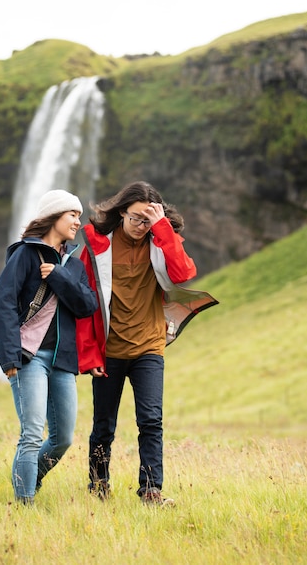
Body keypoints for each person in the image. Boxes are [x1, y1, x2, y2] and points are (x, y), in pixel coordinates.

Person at [76, 181, 218, 506]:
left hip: (149, 346)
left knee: (151, 420)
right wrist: (89, 354)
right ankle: (99, 485)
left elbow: (183, 274)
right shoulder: (98, 245)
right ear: (122, 211)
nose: (142, 226)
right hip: (109, 349)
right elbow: (84, 304)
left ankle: (151, 491)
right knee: (103, 424)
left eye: (148, 220)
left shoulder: (160, 240)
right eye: (137, 218)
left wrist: (162, 227)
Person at [0, 189, 98, 505]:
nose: (78, 221)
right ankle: (25, 503)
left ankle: (28, 481)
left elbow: (87, 305)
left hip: (62, 361)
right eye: (72, 215)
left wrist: (60, 277)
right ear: (53, 216)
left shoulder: (73, 265)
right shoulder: (26, 254)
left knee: (62, 438)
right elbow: (2, 303)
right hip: (28, 356)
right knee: (31, 434)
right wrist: (9, 357)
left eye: (79, 215)